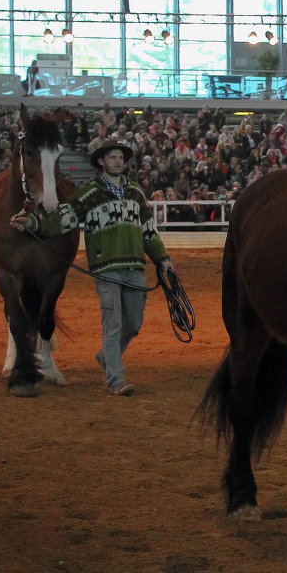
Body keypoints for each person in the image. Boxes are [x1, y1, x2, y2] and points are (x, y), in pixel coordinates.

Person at [10, 139, 176, 396]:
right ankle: (115, 379)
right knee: (113, 323)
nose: (118, 161)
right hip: (107, 268)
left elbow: (148, 232)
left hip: (134, 267)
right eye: (112, 157)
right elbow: (64, 218)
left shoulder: (135, 192)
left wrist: (163, 260)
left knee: (133, 323)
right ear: (101, 161)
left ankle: (106, 357)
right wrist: (34, 222)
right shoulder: (90, 193)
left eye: (121, 157)